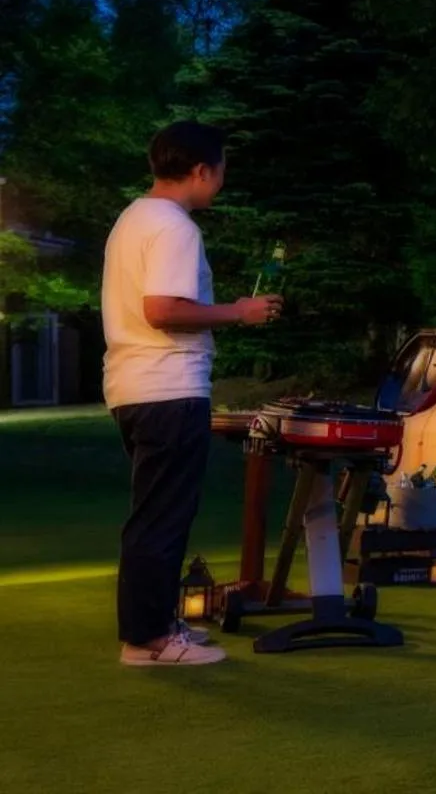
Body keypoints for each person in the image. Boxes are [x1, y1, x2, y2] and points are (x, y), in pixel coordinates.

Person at [103, 121, 283, 666]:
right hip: (167, 388)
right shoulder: (175, 227)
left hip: (134, 386)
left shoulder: (133, 218)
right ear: (202, 170)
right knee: (162, 516)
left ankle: (155, 624)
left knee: (158, 512)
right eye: (222, 168)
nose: (222, 179)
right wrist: (239, 312)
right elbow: (163, 310)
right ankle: (149, 639)